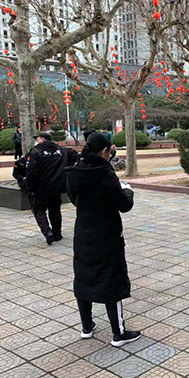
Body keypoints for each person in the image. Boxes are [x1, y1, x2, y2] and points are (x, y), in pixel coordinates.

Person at [66, 132, 141, 347]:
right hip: (106, 233)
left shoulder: (75, 171)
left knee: (84, 277)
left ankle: (86, 327)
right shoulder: (105, 173)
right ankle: (119, 332)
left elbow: (75, 199)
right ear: (105, 151)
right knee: (111, 279)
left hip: (83, 231)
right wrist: (127, 191)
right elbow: (124, 205)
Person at [26, 131, 77, 244]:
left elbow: (31, 172)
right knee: (55, 210)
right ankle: (57, 233)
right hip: (57, 186)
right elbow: (74, 154)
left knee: (39, 210)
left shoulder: (36, 152)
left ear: (42, 138)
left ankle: (47, 232)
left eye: (37, 138)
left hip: (41, 187)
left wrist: (30, 188)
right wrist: (66, 167)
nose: (36, 141)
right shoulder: (61, 150)